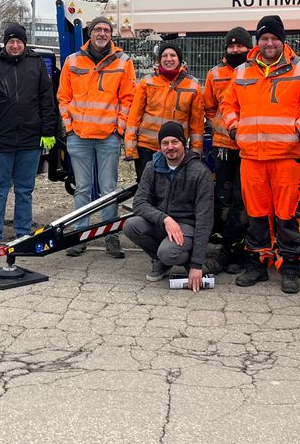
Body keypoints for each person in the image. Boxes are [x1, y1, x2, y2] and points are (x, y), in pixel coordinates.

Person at [220, 14, 300, 294]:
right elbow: (228, 105)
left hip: (288, 156)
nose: (269, 43)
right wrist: (235, 129)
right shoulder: (242, 72)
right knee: (256, 214)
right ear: (257, 41)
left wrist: (299, 130)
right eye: (264, 38)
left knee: (288, 216)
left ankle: (289, 266)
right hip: (252, 157)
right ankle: (258, 263)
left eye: (274, 38)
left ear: (282, 41)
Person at [57, 15, 137, 258]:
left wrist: (118, 129)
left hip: (108, 138)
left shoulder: (123, 62)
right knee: (82, 189)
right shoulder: (72, 61)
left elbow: (128, 99)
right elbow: (63, 97)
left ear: (111, 35)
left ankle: (110, 236)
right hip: (78, 137)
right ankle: (80, 236)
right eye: (97, 29)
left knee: (108, 190)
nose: (102, 33)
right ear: (90, 34)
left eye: (106, 30)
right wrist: (69, 128)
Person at [0, 23, 57, 255]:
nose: (15, 45)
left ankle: (22, 234)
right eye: (11, 42)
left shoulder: (36, 64)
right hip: (1, 140)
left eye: (19, 42)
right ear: (5, 43)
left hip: (30, 140)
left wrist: (48, 131)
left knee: (24, 189)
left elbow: (47, 99)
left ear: (24, 43)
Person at [124, 121, 214, 291]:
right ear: (160, 146)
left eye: (175, 142)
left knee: (167, 252)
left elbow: (205, 219)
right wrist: (164, 219)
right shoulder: (152, 167)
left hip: (187, 226)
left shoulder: (200, 172)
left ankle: (185, 260)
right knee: (131, 226)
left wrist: (197, 264)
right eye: (165, 143)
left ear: (184, 144)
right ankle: (160, 261)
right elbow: (139, 203)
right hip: (163, 223)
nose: (170, 147)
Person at [203, 27, 252, 275]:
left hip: (249, 147)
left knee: (243, 202)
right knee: (224, 198)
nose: (235, 50)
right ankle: (227, 247)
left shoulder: (254, 72)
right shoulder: (215, 74)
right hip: (224, 147)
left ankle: (241, 251)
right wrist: (219, 127)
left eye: (240, 46)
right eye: (231, 47)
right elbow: (209, 107)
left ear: (248, 47)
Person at [124, 43, 204, 181]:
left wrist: (195, 151)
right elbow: (134, 116)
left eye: (173, 55)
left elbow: (196, 123)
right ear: (159, 60)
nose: (169, 59)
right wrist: (131, 148)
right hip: (147, 148)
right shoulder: (146, 82)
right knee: (147, 191)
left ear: (180, 59)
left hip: (175, 150)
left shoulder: (192, 85)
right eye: (164, 56)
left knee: (173, 191)